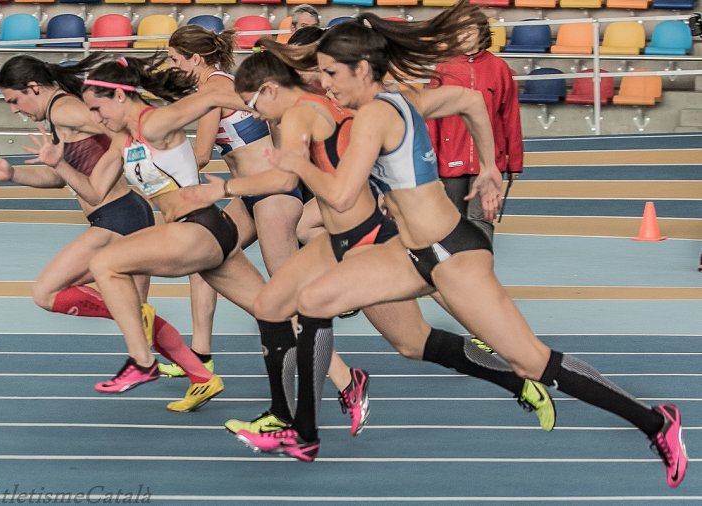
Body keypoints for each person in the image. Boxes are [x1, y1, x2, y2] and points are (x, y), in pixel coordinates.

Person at [245, 4, 687, 488]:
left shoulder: (373, 115)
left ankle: (656, 422)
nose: (325, 83)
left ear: (363, 69)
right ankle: (303, 434)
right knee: (312, 301)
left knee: (531, 360)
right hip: (408, 254)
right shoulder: (402, 97)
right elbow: (472, 103)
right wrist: (491, 166)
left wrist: (296, 163)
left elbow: (341, 194)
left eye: (332, 73)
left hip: (453, 254)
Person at [182, 48, 556, 462]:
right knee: (276, 302)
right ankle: (294, 415)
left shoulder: (374, 105)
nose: (323, 80)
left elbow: (467, 100)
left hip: (374, 240)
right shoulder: (302, 110)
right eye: (316, 72)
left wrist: (489, 167)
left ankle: (515, 380)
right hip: (335, 239)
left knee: (414, 343)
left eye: (327, 72)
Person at [0, 55, 217, 411]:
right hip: (119, 215)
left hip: (117, 217)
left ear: (34, 88)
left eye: (14, 101)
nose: (14, 110)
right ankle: (201, 376)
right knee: (132, 314)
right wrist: (12, 175)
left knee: (46, 292)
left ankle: (146, 333)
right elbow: (60, 177)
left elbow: (118, 124)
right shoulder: (63, 114)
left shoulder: (65, 110)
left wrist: (133, 142)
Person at [164, 25, 373, 436]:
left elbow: (202, 155)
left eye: (175, 59)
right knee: (202, 256)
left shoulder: (213, 92)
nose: (173, 66)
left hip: (273, 198)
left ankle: (348, 381)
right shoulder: (228, 86)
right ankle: (202, 359)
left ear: (194, 59)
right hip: (252, 195)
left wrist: (155, 158)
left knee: (286, 300)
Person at [426, 13, 523, 241]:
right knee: (452, 220)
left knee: (481, 220)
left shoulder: (499, 68)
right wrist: (431, 162)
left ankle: (480, 266)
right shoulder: (443, 69)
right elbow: (432, 121)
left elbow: (510, 116)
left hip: (489, 161)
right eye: (459, 29)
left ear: (482, 32)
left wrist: (515, 162)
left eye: (469, 29)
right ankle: (453, 270)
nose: (464, 35)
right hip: (450, 160)